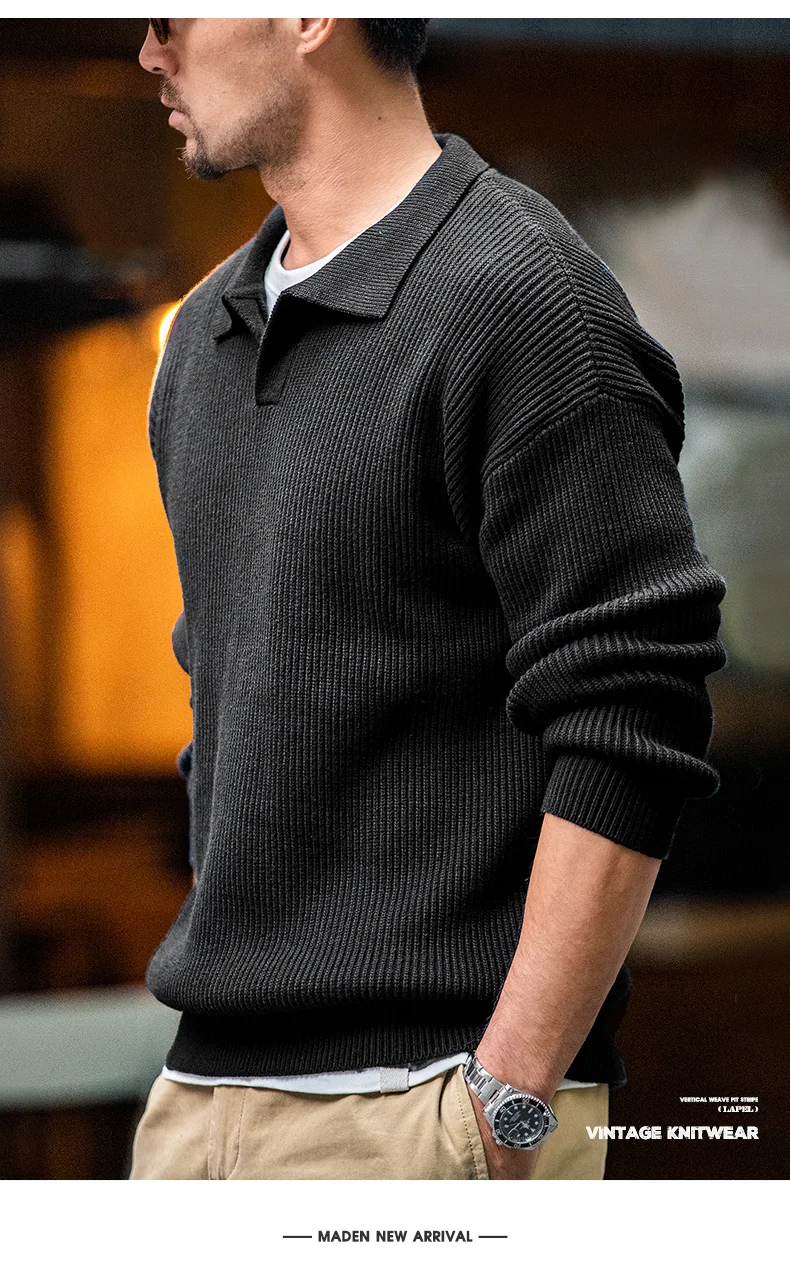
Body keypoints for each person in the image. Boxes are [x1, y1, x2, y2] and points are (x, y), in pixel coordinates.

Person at [129, 18, 727, 1181]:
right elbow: (226, 696)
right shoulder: (199, 339)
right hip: (197, 1104)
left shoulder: (524, 301)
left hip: (431, 1109)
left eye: (168, 16)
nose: (148, 53)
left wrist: (509, 1097)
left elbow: (633, 714)